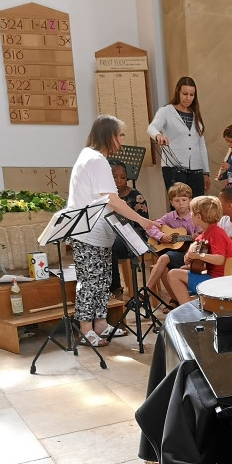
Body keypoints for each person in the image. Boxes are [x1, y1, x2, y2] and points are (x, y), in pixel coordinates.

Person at [67, 115, 154, 347]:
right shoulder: (96, 160)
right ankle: (85, 330)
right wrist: (142, 221)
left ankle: (100, 324)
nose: (122, 140)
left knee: (103, 279)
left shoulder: (91, 156)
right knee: (90, 282)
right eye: (119, 135)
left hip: (99, 233)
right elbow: (112, 200)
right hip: (88, 233)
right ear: (109, 136)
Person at [165, 196, 232, 306]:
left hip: (220, 280)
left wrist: (198, 256)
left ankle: (188, 308)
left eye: (191, 212)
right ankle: (193, 304)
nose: (190, 215)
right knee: (182, 269)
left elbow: (220, 259)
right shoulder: (209, 231)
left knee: (173, 275)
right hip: (218, 276)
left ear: (198, 216)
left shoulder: (216, 233)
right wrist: (189, 255)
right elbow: (197, 243)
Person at [148, 76, 210, 197]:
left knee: (197, 203)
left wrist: (206, 172)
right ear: (178, 92)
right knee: (179, 202)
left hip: (196, 168)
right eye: (185, 94)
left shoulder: (195, 114)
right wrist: (158, 135)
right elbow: (151, 127)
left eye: (192, 95)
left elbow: (201, 145)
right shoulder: (166, 111)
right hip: (173, 167)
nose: (188, 98)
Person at [145, 183, 199, 303]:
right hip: (174, 253)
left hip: (189, 255)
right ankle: (174, 300)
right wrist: (161, 236)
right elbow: (150, 227)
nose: (181, 203)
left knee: (164, 258)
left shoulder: (195, 217)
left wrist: (196, 237)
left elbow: (203, 236)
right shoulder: (169, 217)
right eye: (177, 200)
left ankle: (146, 290)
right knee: (164, 269)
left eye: (184, 200)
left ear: (190, 201)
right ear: (171, 202)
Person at [108, 161, 149, 296]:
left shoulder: (135, 196)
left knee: (110, 245)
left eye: (123, 177)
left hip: (133, 235)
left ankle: (115, 288)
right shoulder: (104, 196)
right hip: (111, 235)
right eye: (114, 177)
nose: (119, 181)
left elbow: (141, 225)